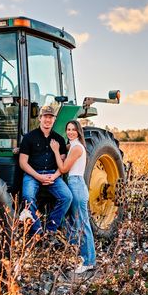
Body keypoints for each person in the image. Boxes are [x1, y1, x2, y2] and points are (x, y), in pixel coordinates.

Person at [19, 105, 73, 238]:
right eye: (45, 117)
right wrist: (38, 176)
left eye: (51, 117)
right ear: (40, 118)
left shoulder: (59, 139)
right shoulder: (29, 138)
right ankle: (37, 232)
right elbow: (23, 162)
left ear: (54, 119)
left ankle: (51, 230)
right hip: (33, 174)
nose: (48, 120)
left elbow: (63, 164)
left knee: (67, 197)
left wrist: (53, 177)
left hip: (52, 174)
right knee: (28, 196)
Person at [50, 120, 96, 274]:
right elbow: (64, 150)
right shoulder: (72, 146)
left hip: (76, 185)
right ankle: (84, 257)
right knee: (75, 222)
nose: (70, 132)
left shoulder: (76, 148)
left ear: (78, 132)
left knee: (82, 224)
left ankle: (89, 261)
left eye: (73, 130)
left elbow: (63, 168)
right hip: (73, 184)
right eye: (68, 129)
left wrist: (56, 151)